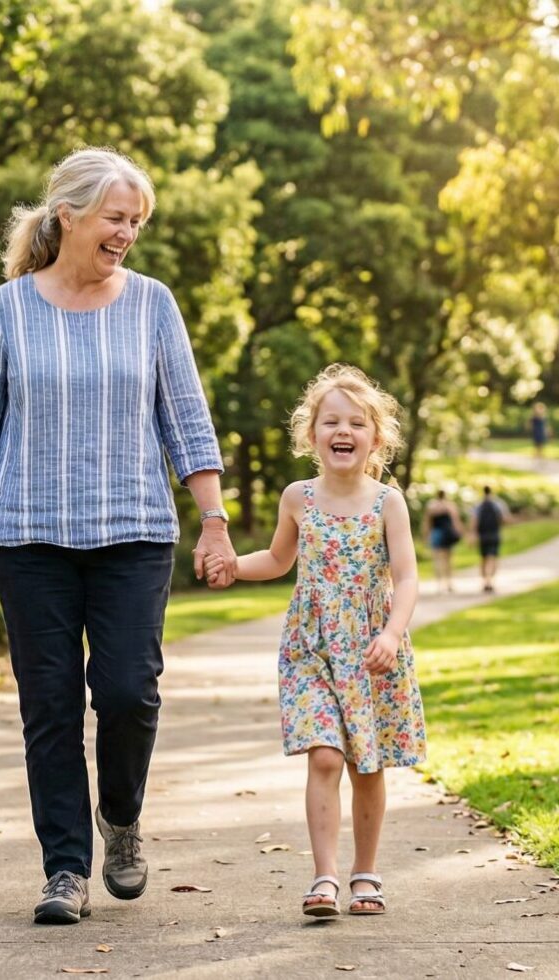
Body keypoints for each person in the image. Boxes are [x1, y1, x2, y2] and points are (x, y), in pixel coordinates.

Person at [0, 147, 235, 925]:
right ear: (68, 215)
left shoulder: (153, 304)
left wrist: (215, 521)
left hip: (132, 530)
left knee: (129, 691)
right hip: (30, 538)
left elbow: (187, 420)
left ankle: (121, 818)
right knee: (51, 706)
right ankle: (65, 869)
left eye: (137, 221)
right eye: (116, 218)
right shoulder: (7, 309)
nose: (127, 232)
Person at [206, 364, 426, 919]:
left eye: (355, 422)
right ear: (312, 435)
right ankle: (325, 876)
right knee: (325, 757)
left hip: (371, 651)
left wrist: (393, 633)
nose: (342, 431)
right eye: (330, 422)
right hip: (311, 648)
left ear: (376, 437)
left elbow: (406, 577)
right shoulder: (297, 498)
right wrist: (234, 565)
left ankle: (366, 873)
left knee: (366, 765)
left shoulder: (387, 503)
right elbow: (279, 560)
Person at [423, 489, 463, 593]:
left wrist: (426, 535)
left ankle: (439, 584)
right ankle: (449, 583)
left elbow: (427, 522)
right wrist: (459, 532)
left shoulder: (432, 506)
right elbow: (455, 521)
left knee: (437, 560)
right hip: (447, 534)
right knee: (448, 560)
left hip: (436, 533)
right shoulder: (450, 506)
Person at [474, 485, 507, 593]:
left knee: (483, 559)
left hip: (483, 536)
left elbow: (474, 522)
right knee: (493, 558)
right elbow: (504, 519)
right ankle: (491, 581)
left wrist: (473, 534)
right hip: (494, 534)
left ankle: (485, 581)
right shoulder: (498, 504)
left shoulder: (478, 505)